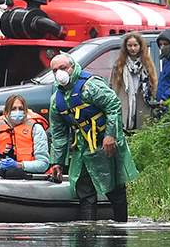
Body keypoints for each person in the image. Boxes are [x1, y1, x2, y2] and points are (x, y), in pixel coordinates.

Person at [47, 53, 138, 222]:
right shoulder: (56, 100)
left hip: (105, 142)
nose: (59, 73)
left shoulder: (91, 86)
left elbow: (113, 105)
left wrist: (110, 135)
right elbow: (59, 134)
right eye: (55, 70)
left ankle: (120, 229)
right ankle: (87, 231)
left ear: (72, 68)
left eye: (63, 68)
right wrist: (57, 162)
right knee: (85, 192)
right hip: (82, 148)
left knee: (114, 189)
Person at [0, 94, 50, 179]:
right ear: (6, 111)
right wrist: (0, 165)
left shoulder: (36, 128)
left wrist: (19, 165)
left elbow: (43, 164)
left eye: (20, 109)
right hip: (4, 172)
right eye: (13, 109)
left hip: (28, 174)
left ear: (25, 111)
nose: (17, 111)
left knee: (13, 173)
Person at [110, 32, 158, 131]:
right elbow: (113, 88)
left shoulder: (147, 64)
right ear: (125, 47)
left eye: (135, 45)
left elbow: (154, 87)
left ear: (140, 46)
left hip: (143, 107)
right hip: (124, 107)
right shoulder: (118, 65)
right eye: (129, 45)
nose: (132, 48)